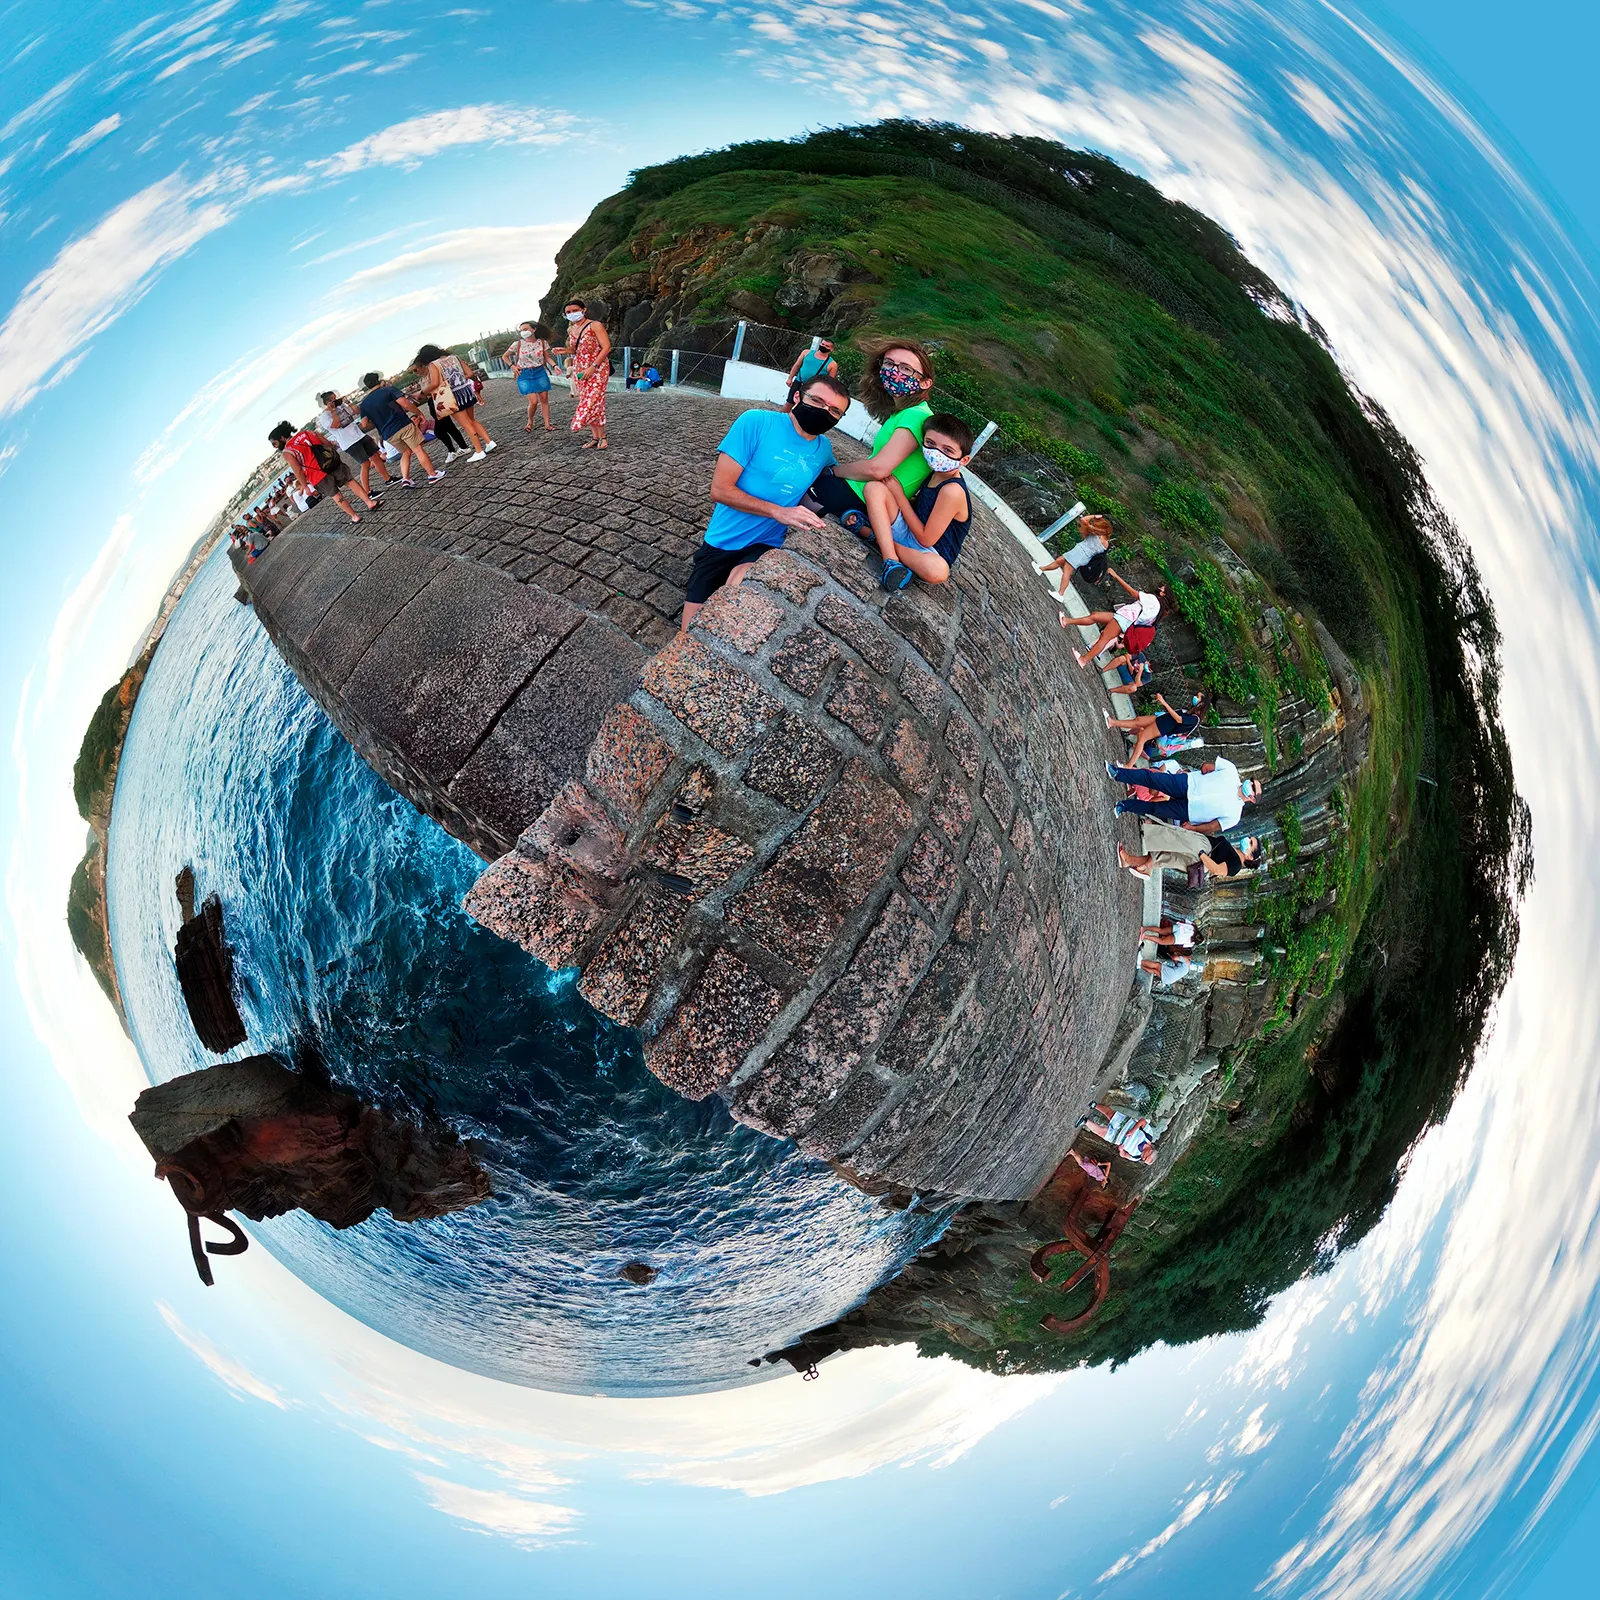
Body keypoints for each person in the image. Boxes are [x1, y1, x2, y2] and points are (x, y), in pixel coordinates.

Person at [680, 375, 851, 631]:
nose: (825, 411)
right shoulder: (756, 422)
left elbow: (840, 475)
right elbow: (720, 490)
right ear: (798, 397)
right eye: (817, 401)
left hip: (766, 542)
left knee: (739, 588)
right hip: (723, 539)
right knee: (689, 630)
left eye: (835, 411)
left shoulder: (823, 448)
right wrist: (778, 511)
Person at [807, 339, 936, 526]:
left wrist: (833, 471)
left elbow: (878, 469)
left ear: (925, 383)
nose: (894, 372)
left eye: (906, 369)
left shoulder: (917, 416)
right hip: (863, 493)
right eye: (889, 363)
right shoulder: (904, 413)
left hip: (864, 499)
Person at [854, 412, 974, 590]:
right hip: (909, 531)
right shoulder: (933, 472)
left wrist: (899, 495)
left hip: (929, 551)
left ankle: (875, 536)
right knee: (874, 488)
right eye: (930, 444)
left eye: (947, 450)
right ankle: (891, 560)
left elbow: (926, 539)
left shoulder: (952, 491)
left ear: (964, 460)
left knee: (938, 572)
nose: (936, 453)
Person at [1107, 754, 1262, 832]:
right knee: (1154, 779)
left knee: (1155, 809)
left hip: (1190, 811)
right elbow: (1206, 767)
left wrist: (1194, 828)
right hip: (1188, 784)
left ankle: (1123, 806)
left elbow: (1213, 826)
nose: (1250, 784)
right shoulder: (1231, 771)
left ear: (1253, 799)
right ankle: (1118, 773)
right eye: (1252, 781)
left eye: (1253, 788)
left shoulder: (1234, 816)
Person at [268, 420, 376, 526]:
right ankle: (369, 502)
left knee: (336, 495)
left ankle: (355, 516)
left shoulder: (288, 452)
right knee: (350, 482)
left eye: (274, 443)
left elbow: (298, 470)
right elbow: (328, 444)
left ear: (282, 438)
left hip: (317, 474)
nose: (274, 446)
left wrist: (305, 486)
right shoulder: (307, 433)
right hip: (331, 463)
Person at [358, 370, 442, 487]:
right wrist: (419, 413)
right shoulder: (388, 390)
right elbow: (405, 403)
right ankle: (432, 474)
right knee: (417, 449)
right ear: (378, 380)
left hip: (387, 433)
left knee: (406, 452)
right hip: (402, 424)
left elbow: (364, 424)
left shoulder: (364, 404)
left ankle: (406, 478)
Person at [413, 344, 496, 461]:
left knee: (466, 424)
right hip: (466, 392)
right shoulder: (454, 357)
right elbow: (470, 374)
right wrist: (458, 379)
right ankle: (489, 442)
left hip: (453, 396)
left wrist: (420, 392)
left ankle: (479, 450)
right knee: (472, 420)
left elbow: (435, 383)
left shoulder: (434, 364)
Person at [1067, 569, 1167, 659]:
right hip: (1126, 620)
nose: (1160, 588)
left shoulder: (1153, 600)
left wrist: (1116, 576)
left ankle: (1083, 660)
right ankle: (1066, 621)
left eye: (1162, 588)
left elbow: (1133, 593)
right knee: (1095, 616)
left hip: (1124, 618)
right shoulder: (1157, 612)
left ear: (1164, 594)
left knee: (1104, 638)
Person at [551, 297, 610, 449]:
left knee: (594, 400)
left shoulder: (595, 325)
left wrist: (593, 366)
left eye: (575, 311)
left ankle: (597, 433)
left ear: (583, 310)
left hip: (598, 367)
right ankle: (596, 437)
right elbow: (575, 350)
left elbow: (606, 347)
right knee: (585, 398)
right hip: (579, 367)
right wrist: (564, 350)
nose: (571, 314)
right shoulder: (571, 329)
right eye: (568, 312)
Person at [317, 389, 393, 501]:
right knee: (365, 463)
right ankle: (368, 492)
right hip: (349, 442)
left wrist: (348, 402)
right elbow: (336, 425)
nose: (335, 401)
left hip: (359, 435)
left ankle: (388, 479)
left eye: (335, 398)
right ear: (326, 402)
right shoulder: (324, 417)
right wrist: (333, 410)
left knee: (375, 456)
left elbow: (357, 411)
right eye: (332, 400)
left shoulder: (341, 406)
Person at [1118, 824, 1263, 882]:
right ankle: (1133, 861)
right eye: (1250, 838)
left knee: (1172, 841)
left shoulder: (1236, 865)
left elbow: (1217, 869)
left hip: (1202, 853)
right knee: (1168, 853)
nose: (1247, 839)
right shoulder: (1235, 853)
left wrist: (1201, 854)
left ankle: (1142, 864)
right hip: (1202, 849)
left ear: (1250, 856)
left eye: (1250, 843)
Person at [1106, 689, 1206, 764]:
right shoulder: (1190, 712)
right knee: (1138, 721)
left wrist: (1163, 702)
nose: (1195, 698)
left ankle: (1128, 766)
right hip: (1162, 719)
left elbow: (1178, 719)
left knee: (1142, 738)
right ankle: (1113, 722)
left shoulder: (1195, 719)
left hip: (1164, 726)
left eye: (1198, 698)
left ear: (1201, 704)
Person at [1037, 512, 1113, 595]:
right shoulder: (1105, 543)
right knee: (1059, 561)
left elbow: (1083, 519)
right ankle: (1041, 569)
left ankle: (1060, 594)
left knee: (1067, 571)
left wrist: (1094, 516)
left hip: (1079, 554)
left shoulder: (1096, 534)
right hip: (1081, 555)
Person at [1079, 1104, 1159, 1165]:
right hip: (1125, 1124)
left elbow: (1124, 1155)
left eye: (1144, 1160)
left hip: (1116, 1138)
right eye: (1146, 1158)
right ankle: (1095, 1105)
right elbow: (1142, 1121)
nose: (1143, 1159)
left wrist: (1121, 1150)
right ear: (1150, 1151)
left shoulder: (1136, 1157)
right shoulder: (1149, 1136)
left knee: (1100, 1132)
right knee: (1109, 1114)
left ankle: (1085, 1121)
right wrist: (1132, 1130)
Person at [786, 337, 840, 403]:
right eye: (823, 344)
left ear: (831, 349)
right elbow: (797, 365)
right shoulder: (806, 353)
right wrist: (790, 378)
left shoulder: (832, 364)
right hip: (798, 381)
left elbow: (829, 381)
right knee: (789, 403)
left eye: (827, 346)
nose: (824, 346)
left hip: (814, 388)